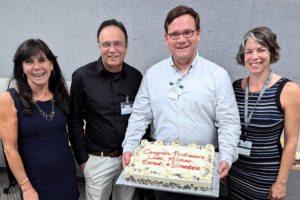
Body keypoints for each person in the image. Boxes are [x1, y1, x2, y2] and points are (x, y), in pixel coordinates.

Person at [122, 5, 241, 200]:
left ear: (198, 33)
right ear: (166, 38)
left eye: (188, 32)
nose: (182, 39)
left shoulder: (218, 76)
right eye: (175, 34)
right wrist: (129, 147)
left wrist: (227, 156)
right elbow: (139, 118)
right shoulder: (153, 75)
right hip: (161, 170)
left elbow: (228, 123)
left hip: (202, 170)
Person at [68, 19, 142, 200]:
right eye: (106, 44)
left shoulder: (136, 77)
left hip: (128, 157)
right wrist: (83, 160)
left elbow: (141, 117)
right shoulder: (82, 77)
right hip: (97, 160)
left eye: (118, 44)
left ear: (126, 46)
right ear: (99, 46)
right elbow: (74, 119)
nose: (112, 49)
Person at [225, 27, 300, 200]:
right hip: (235, 173)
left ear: (271, 53)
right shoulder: (235, 87)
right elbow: (227, 129)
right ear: (243, 56)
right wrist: (225, 164)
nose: (254, 57)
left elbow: (291, 141)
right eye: (249, 51)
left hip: (266, 177)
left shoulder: (289, 90)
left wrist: (281, 183)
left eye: (261, 50)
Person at [0, 39, 79, 200]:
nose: (37, 67)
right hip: (35, 179)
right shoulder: (8, 99)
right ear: (21, 68)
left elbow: (61, 132)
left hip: (66, 173)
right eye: (29, 62)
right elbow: (10, 149)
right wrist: (26, 188)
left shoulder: (60, 92)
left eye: (42, 60)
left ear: (51, 65)